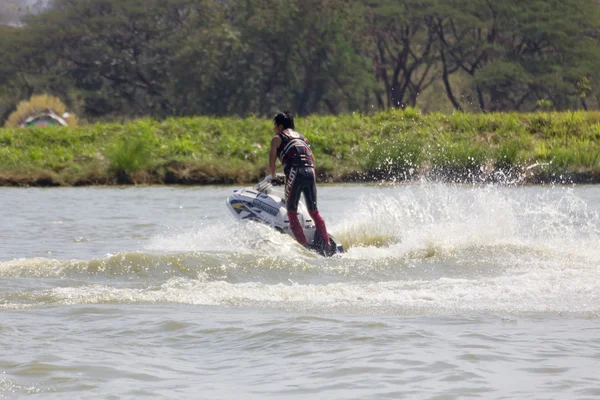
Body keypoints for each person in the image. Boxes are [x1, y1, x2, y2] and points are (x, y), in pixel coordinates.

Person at [268, 111, 331, 252]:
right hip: (310, 172)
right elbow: (313, 160)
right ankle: (326, 244)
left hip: (295, 172)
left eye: (274, 126)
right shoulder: (303, 139)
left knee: (291, 212)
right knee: (314, 211)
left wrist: (273, 175)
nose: (273, 129)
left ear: (280, 126)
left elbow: (272, 159)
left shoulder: (277, 139)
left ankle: (304, 247)